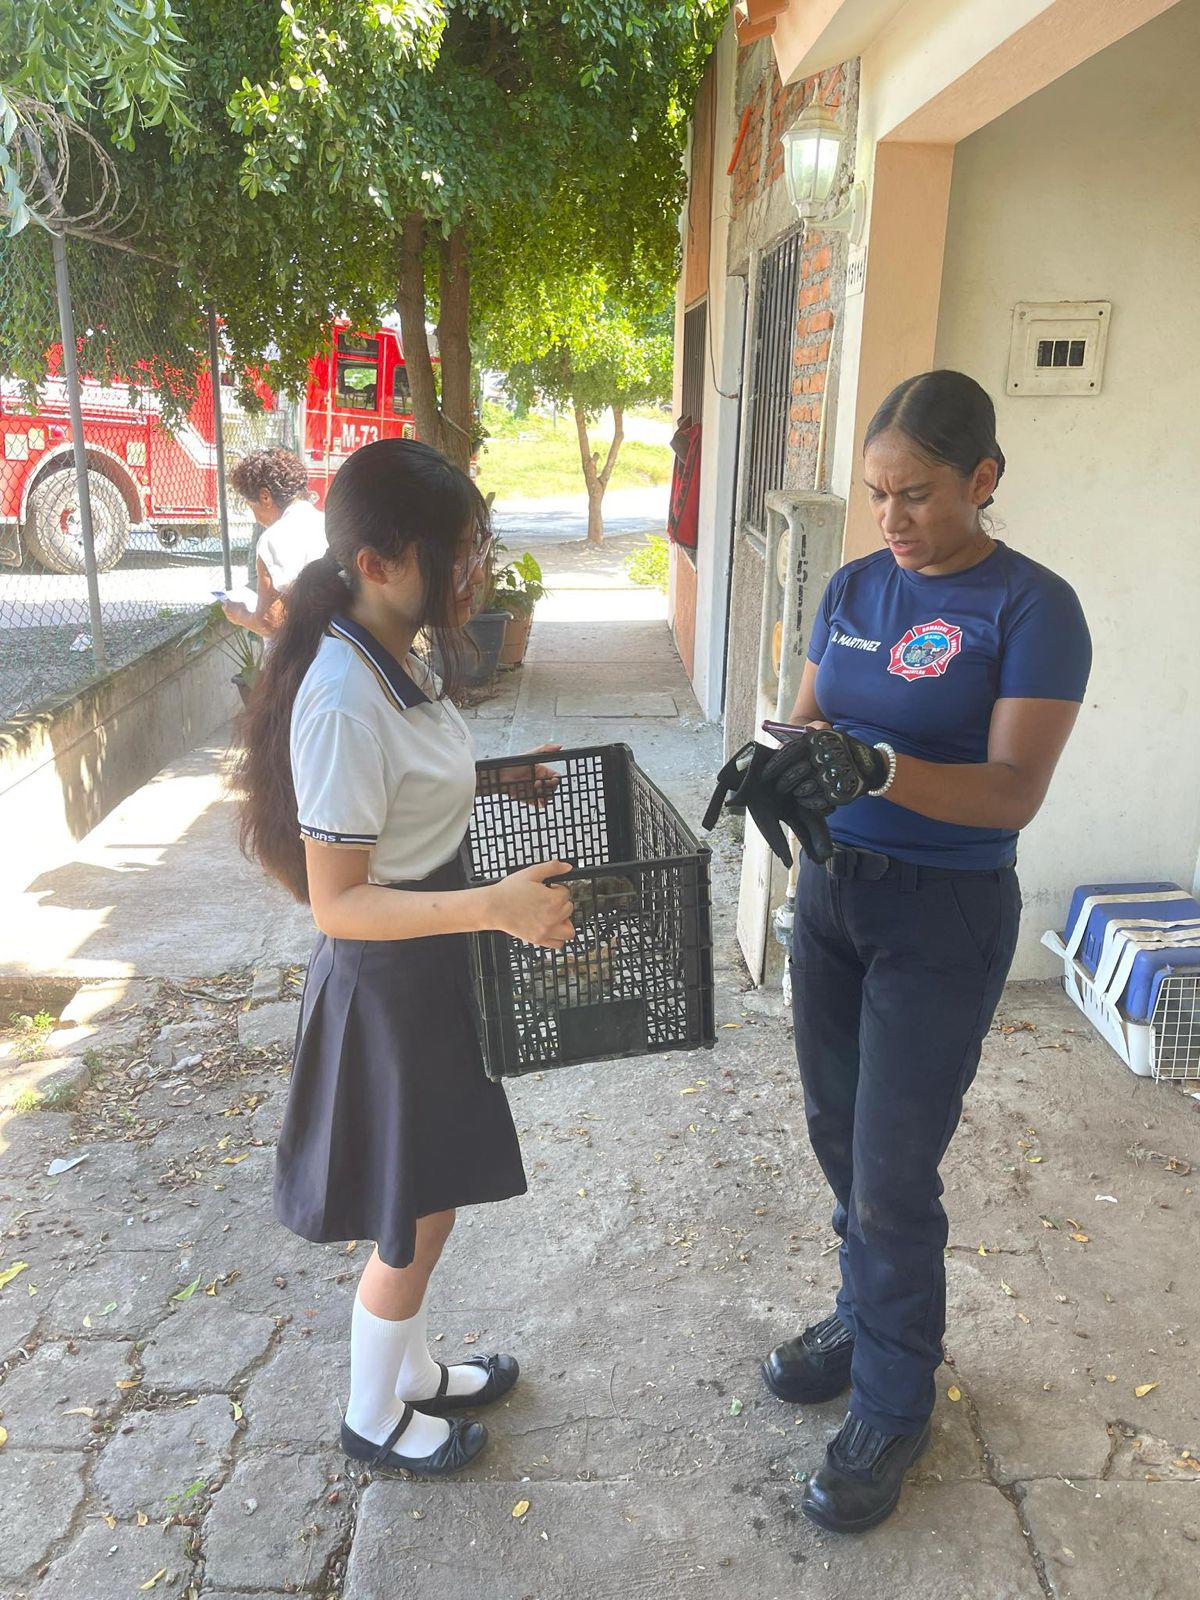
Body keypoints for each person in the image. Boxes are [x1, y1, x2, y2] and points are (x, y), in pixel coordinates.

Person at [760, 370, 1091, 1533]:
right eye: (876, 495)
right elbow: (810, 715)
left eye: (917, 496)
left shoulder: (1031, 608)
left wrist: (884, 769)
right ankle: (868, 1311)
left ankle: (896, 1397)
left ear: (983, 479)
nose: (891, 522)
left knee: (895, 1167)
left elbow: (1012, 793)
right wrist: (779, 755)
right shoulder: (854, 584)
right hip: (836, 901)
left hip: (942, 917)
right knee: (837, 1133)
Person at [233, 437, 575, 1476]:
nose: (472, 571)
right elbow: (340, 903)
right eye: (455, 550)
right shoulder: (340, 692)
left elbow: (402, 789)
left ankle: (413, 1368)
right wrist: (500, 908)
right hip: (394, 979)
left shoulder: (394, 641)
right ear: (379, 560)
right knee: (412, 1212)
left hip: (428, 960)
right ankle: (371, 1412)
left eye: (475, 546)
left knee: (435, 1191)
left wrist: (499, 777)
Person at [222, 448, 328, 638]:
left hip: (305, 655)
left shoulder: (272, 539)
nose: (254, 516)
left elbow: (270, 623)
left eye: (250, 505)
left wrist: (239, 614)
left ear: (265, 497)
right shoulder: (327, 522)